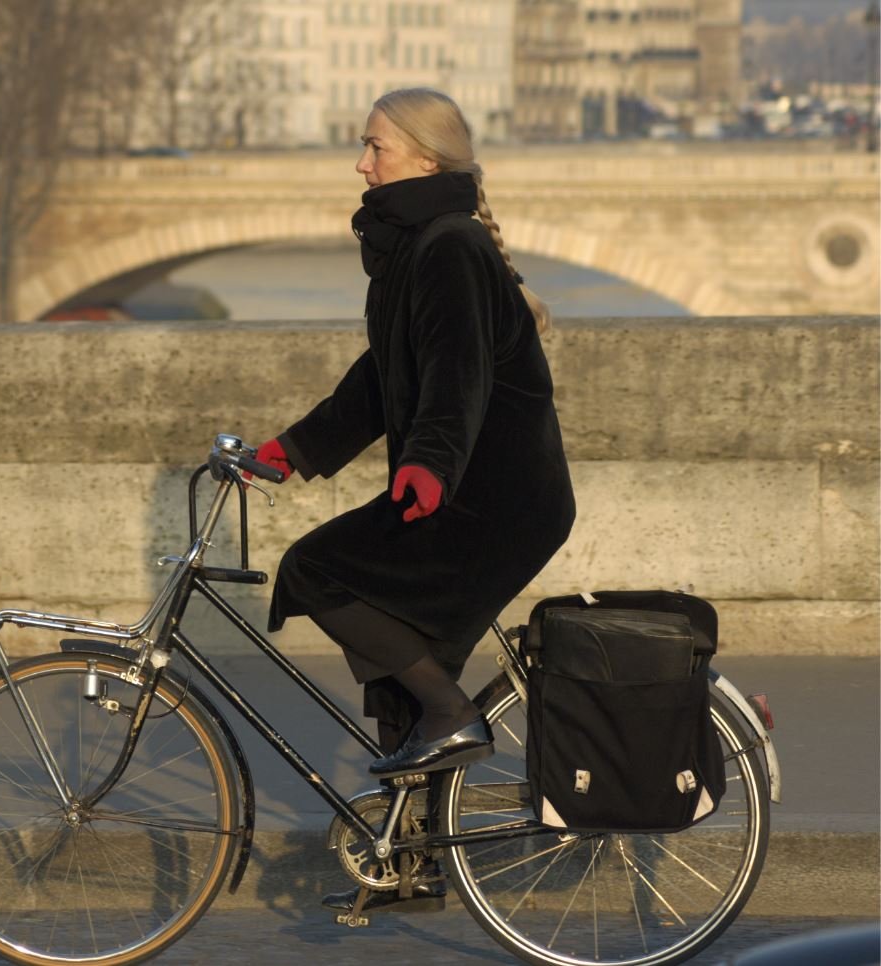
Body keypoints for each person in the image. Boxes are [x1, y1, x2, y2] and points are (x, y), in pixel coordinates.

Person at [249, 88, 576, 914]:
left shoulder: (448, 247)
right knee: (401, 667)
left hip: (490, 495)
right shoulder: (414, 249)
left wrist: (427, 464)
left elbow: (458, 374)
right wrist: (292, 451)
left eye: (374, 148)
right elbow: (378, 384)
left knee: (316, 568)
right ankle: (414, 863)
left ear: (425, 160)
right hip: (471, 486)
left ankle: (453, 713)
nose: (361, 164)